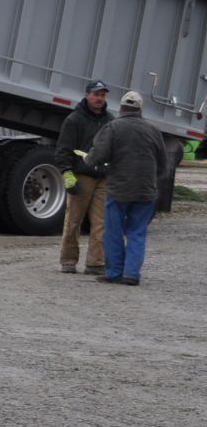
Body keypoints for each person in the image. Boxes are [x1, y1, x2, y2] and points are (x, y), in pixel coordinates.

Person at [84, 89, 174, 286]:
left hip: (118, 190)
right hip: (146, 191)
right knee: (137, 232)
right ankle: (131, 274)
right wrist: (151, 180)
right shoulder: (153, 130)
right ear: (140, 109)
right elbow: (164, 165)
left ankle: (114, 273)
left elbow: (97, 156)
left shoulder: (113, 127)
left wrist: (89, 160)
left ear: (122, 108)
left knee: (113, 231)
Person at [54, 80, 113, 274]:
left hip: (103, 177)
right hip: (82, 176)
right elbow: (63, 150)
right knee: (73, 221)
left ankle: (96, 263)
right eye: (96, 94)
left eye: (102, 95)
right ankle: (68, 260)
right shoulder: (74, 120)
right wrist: (67, 173)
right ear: (87, 95)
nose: (99, 99)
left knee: (100, 223)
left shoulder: (110, 121)